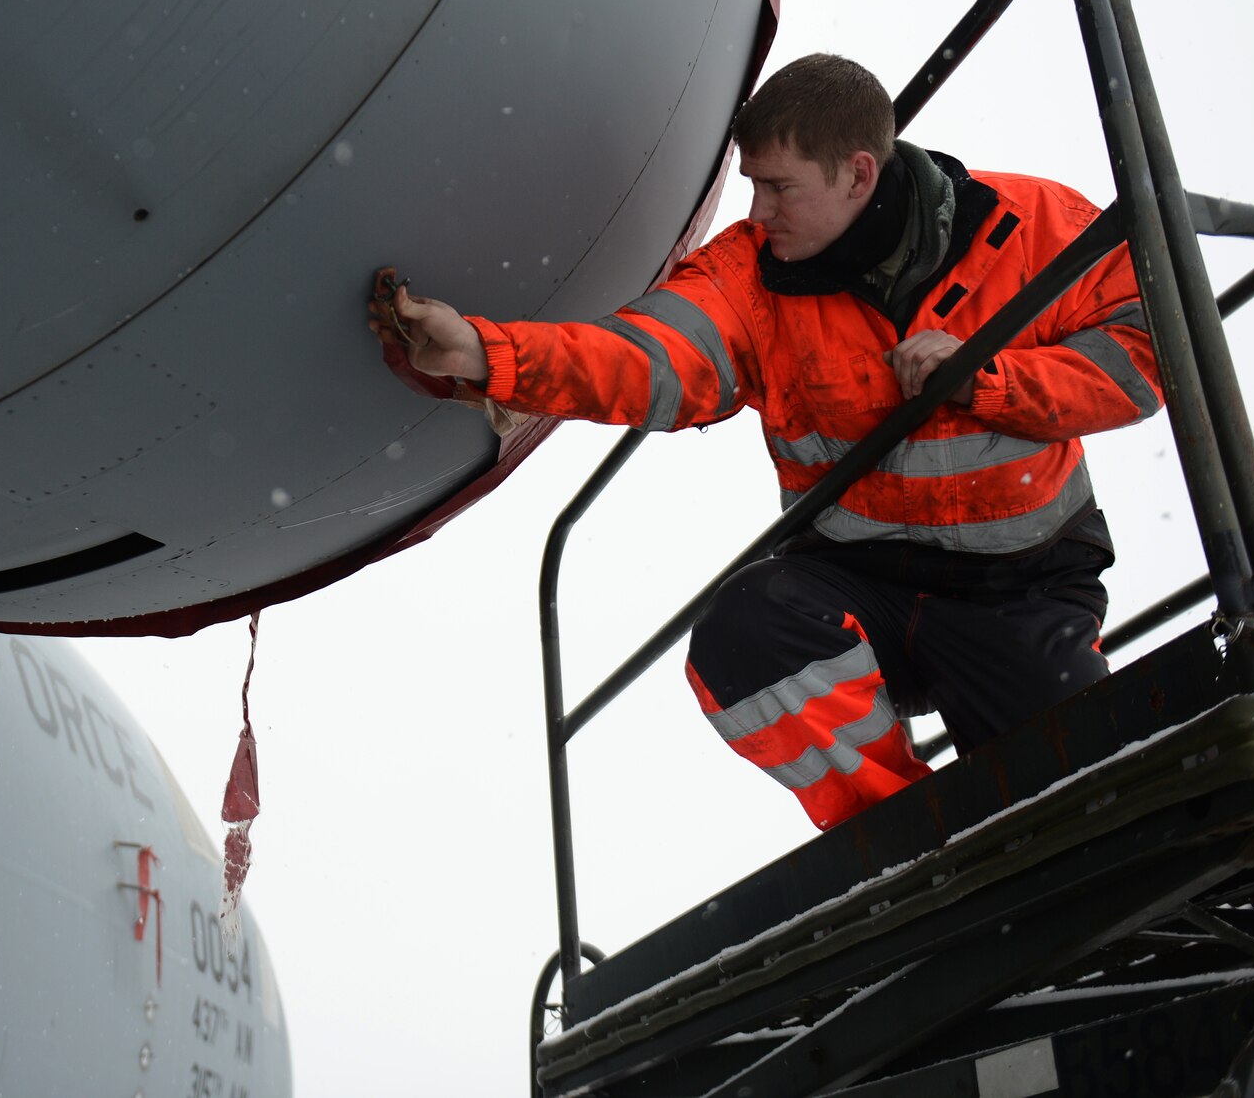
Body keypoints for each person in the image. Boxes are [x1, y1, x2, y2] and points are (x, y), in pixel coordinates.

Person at [367, 53, 1162, 831]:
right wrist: (481, 352)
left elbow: (1146, 354)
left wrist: (987, 378)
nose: (759, 213)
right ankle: (907, 838)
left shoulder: (1031, 228)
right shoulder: (749, 279)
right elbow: (643, 357)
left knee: (1087, 803)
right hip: (862, 585)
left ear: (857, 174)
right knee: (743, 634)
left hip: (1019, 590)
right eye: (753, 185)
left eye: (779, 188)